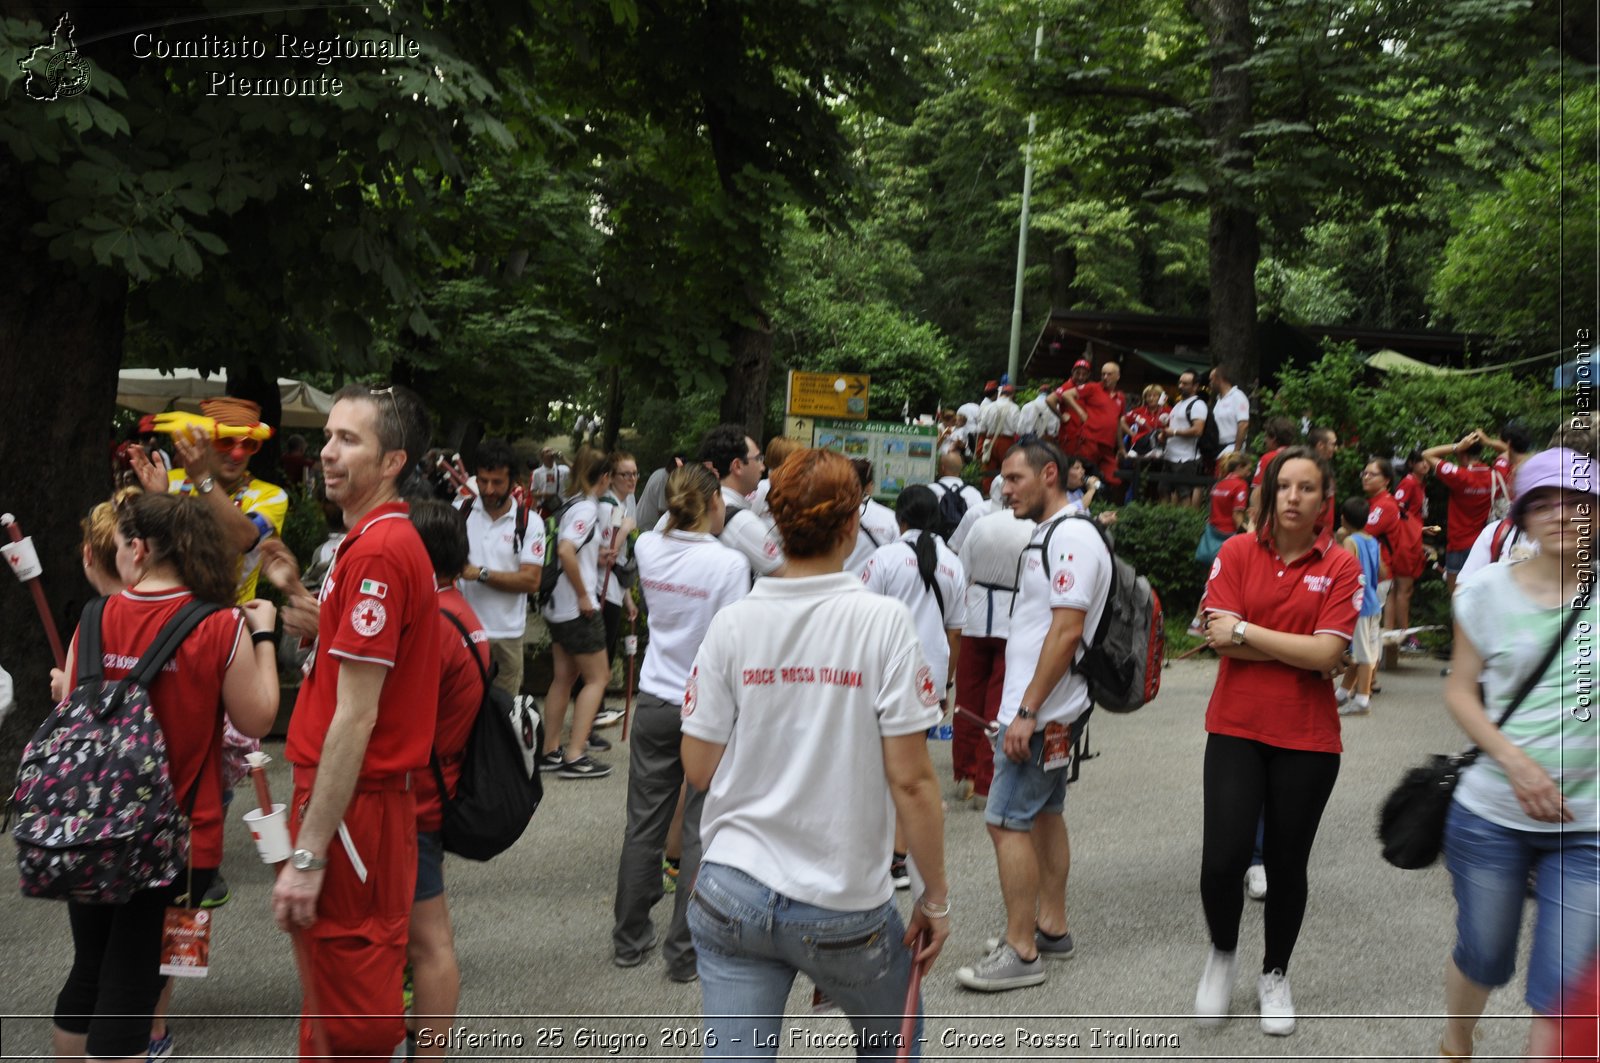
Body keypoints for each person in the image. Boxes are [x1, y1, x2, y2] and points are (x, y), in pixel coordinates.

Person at [681, 447, 950, 1059]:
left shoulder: (734, 622)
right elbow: (912, 783)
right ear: (853, 524)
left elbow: (698, 767)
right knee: (893, 1045)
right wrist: (934, 899)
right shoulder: (883, 623)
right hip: (844, 903)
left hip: (732, 891)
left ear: (773, 518)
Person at [48, 492, 279, 1063]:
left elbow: (72, 703)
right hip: (178, 840)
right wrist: (266, 638)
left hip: (94, 829)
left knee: (89, 973)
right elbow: (256, 718)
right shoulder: (220, 625)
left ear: (140, 548)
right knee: (134, 992)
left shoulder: (95, 617)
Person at [260, 382, 442, 1061]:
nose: (326, 453)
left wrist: (307, 854)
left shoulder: (376, 552)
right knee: (332, 1001)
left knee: (351, 1012)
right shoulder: (368, 541)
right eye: (328, 436)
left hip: (357, 807)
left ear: (392, 460)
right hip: (354, 802)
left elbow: (356, 716)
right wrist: (301, 598)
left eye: (348, 439)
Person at [1436, 447, 1600, 1062]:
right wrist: (1515, 759)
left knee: (1565, 993)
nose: (1562, 515)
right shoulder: (1484, 592)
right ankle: (1457, 1040)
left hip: (1589, 826)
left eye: (1578, 503)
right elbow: (1459, 689)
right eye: (1545, 503)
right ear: (1523, 517)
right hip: (1490, 814)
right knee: (1483, 954)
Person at [1193, 445, 1360, 1036]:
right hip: (1236, 726)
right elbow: (1220, 638)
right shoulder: (1238, 551)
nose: (1293, 497)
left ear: (1323, 499)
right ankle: (1221, 954)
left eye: (1306, 487)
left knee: (1288, 865)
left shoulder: (1340, 565)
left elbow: (1330, 652)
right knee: (1223, 860)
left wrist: (1248, 631)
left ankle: (1275, 973)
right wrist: (1304, 651)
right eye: (1283, 486)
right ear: (1265, 493)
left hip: (1309, 738)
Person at [956, 439, 1111, 993]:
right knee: (1045, 814)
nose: (1006, 488)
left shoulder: (1070, 535)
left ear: (1051, 474)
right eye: (1002, 479)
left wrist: (1025, 711)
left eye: (1016, 477)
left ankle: (1022, 952)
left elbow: (1067, 630)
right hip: (1052, 711)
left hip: (1042, 712)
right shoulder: (1055, 533)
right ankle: (1051, 928)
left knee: (1005, 822)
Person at [612, 464, 752, 983]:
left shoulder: (649, 546)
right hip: (705, 708)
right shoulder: (729, 564)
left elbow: (640, 531)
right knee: (698, 828)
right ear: (714, 503)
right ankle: (684, 952)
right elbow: (734, 640)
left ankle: (628, 937)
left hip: (654, 698)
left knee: (642, 823)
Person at [404, 499, 487, 1060]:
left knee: (428, 943)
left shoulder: (431, 624)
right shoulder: (459, 611)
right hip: (440, 787)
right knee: (422, 941)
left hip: (414, 800)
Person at [128, 397, 289, 603]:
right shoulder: (170, 481)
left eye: (248, 444)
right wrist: (158, 499)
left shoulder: (272, 495)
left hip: (230, 619)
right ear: (202, 442)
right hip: (169, 613)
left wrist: (202, 478)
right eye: (225, 441)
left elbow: (244, 538)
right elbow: (140, 549)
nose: (237, 454)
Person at [538, 449, 617, 779]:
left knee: (564, 677)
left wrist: (596, 558)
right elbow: (566, 550)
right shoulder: (587, 507)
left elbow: (571, 550)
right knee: (599, 678)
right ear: (604, 477)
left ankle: (550, 750)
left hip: (557, 606)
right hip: (577, 608)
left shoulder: (569, 503)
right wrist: (585, 595)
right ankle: (575, 754)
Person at [953, 504, 1036, 806]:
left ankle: (965, 774)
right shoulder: (1032, 529)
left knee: (967, 699)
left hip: (974, 616)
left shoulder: (981, 524)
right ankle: (987, 784)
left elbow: (962, 570)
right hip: (1013, 620)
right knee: (998, 704)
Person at [456, 438, 544, 698]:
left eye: (497, 482)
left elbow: (531, 581)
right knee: (462, 711)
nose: (489, 489)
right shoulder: (459, 513)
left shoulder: (530, 522)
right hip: (464, 631)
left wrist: (480, 573)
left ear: (513, 482)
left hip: (507, 636)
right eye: (483, 481)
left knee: (503, 717)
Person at [697, 424, 784, 577]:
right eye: (758, 459)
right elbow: (784, 574)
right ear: (737, 466)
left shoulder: (687, 504)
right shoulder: (743, 522)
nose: (763, 467)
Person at [1423, 429, 1497, 594]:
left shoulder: (1460, 476)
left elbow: (1427, 454)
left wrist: (1457, 446)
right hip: (1482, 545)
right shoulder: (1494, 475)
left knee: (1457, 599)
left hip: (1457, 544)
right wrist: (1488, 440)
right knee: (1480, 598)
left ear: (1462, 453)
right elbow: (1511, 451)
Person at [1334, 496, 1386, 717]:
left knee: (1363, 654)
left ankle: (1362, 699)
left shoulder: (1350, 541)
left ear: (1343, 519)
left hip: (1359, 604)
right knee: (1362, 650)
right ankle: (1342, 693)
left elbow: (1344, 571)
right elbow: (1381, 571)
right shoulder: (1372, 541)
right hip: (1373, 602)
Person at [1388, 450, 1429, 644]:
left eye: (1426, 462)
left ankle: (1400, 631)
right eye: (1420, 461)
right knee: (1404, 588)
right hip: (1406, 541)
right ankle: (1404, 633)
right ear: (1411, 463)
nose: (1425, 465)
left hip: (1414, 539)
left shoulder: (1421, 485)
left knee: (1401, 589)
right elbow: (1398, 509)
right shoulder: (1409, 482)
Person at [844, 458, 901, 575]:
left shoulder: (831, 515)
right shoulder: (890, 518)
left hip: (838, 588)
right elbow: (897, 558)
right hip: (875, 589)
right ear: (870, 486)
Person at [1161, 371, 1208, 507]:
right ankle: (1161, 521)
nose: (1181, 386)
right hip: (1170, 455)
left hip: (1186, 458)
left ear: (1195, 386)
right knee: (1163, 491)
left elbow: (1198, 430)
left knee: (1184, 494)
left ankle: (1184, 525)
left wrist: (1174, 432)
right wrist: (1164, 434)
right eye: (1180, 382)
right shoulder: (1178, 404)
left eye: (1185, 383)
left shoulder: (1198, 405)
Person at [1208, 366, 1250, 458]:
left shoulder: (1238, 396)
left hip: (1231, 448)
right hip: (1219, 448)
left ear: (1219, 379)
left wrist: (1236, 452)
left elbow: (1243, 424)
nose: (1210, 383)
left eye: (1211, 380)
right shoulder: (1219, 399)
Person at [531, 447, 571, 512]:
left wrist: (563, 458)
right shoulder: (537, 473)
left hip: (561, 507)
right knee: (549, 522)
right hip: (545, 508)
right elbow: (533, 492)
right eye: (547, 451)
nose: (550, 452)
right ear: (542, 457)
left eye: (551, 450)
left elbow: (576, 471)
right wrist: (543, 494)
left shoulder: (562, 469)